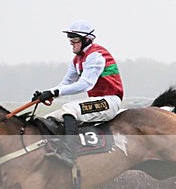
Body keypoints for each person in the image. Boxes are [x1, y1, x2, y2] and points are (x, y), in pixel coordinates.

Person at [32, 20, 124, 167]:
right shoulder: (77, 59)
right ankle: (57, 151)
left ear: (87, 40)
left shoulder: (96, 55)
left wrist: (54, 92)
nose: (71, 43)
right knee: (50, 118)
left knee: (70, 110)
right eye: (70, 39)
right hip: (98, 101)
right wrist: (46, 94)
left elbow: (85, 84)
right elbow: (66, 83)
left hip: (109, 101)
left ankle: (70, 155)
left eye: (75, 39)